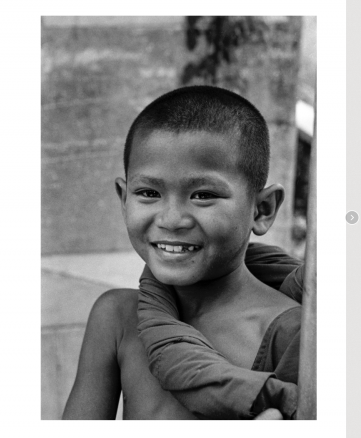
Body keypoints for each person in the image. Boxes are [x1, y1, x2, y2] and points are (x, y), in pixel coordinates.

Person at [63, 86, 301, 420]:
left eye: (203, 195)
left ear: (261, 210)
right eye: (148, 192)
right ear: (123, 198)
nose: (171, 220)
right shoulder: (116, 317)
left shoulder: (291, 332)